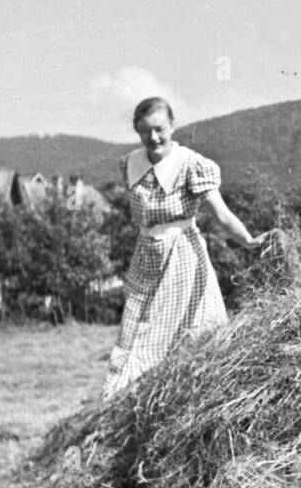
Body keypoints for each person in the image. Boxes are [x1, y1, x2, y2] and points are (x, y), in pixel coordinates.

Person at [101, 97, 264, 401]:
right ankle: (128, 405)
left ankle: (199, 400)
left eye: (160, 129)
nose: (153, 138)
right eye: (145, 131)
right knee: (136, 336)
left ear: (173, 126)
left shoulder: (190, 165)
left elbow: (223, 216)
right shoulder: (130, 164)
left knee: (194, 334)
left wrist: (251, 242)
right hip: (146, 260)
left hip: (183, 260)